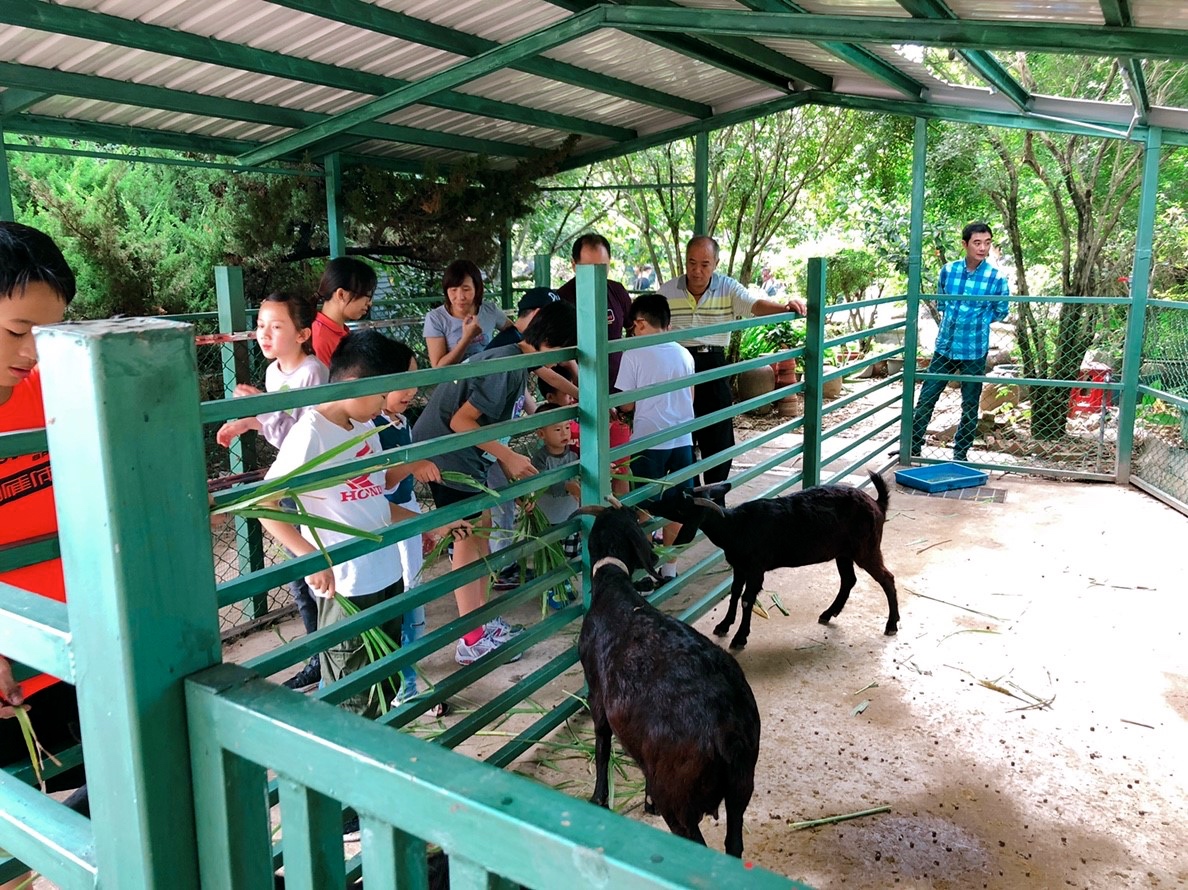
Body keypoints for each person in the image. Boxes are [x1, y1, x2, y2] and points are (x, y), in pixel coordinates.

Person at [257, 331, 442, 719]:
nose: (383, 405)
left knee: (384, 683)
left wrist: (429, 524)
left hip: (386, 575)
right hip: (347, 585)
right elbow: (266, 504)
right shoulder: (310, 435)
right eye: (380, 395)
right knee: (353, 698)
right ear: (358, 384)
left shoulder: (365, 429)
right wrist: (312, 559)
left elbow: (375, 502)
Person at [412, 300, 577, 666]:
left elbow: (548, 374)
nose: (560, 363)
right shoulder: (504, 366)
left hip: (464, 456)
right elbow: (461, 423)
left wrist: (583, 395)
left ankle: (482, 623)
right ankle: (471, 639)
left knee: (480, 537)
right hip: (447, 456)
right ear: (547, 341)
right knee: (468, 542)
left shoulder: (516, 355)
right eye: (561, 352)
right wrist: (509, 457)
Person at [0, 223, 87, 886]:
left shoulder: (51, 389)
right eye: (15, 332)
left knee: (96, 823)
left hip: (71, 658)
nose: (32, 353)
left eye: (47, 335)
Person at [216, 291, 329, 691]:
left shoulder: (311, 373)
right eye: (261, 325)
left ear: (301, 334)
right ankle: (320, 656)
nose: (264, 334)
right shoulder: (274, 373)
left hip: (310, 486)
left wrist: (259, 410)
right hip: (287, 483)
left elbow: (304, 433)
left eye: (276, 326)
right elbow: (278, 429)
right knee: (299, 575)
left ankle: (328, 656)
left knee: (314, 571)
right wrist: (249, 423)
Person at [657, 236, 807, 485]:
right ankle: (690, 499)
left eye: (705, 264)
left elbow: (753, 305)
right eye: (692, 263)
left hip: (713, 363)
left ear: (715, 263)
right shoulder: (666, 291)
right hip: (678, 367)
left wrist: (785, 307)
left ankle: (716, 500)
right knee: (682, 438)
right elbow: (650, 323)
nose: (697, 270)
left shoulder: (727, 287)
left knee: (719, 440)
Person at [910, 221, 1011, 462]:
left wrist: (979, 318)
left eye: (987, 243)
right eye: (977, 243)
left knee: (969, 405)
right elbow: (942, 303)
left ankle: (960, 455)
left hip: (974, 349)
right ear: (965, 244)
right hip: (945, 346)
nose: (983, 248)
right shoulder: (948, 271)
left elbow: (1001, 311)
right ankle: (912, 448)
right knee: (926, 398)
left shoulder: (996, 278)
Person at [614, 293, 695, 581]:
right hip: (683, 439)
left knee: (644, 504)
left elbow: (626, 404)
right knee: (678, 504)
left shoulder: (634, 352)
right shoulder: (684, 353)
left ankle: (646, 570)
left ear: (640, 323)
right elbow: (691, 395)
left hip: (649, 440)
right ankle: (669, 567)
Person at [555, 233, 634, 389]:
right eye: (588, 268)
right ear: (573, 265)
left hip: (618, 384)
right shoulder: (561, 299)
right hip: (577, 388)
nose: (596, 274)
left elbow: (635, 330)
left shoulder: (617, 291)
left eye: (601, 267)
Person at [525, 404, 582, 610]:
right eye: (557, 430)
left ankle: (564, 580)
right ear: (541, 433)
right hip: (548, 517)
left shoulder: (574, 455)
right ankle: (552, 587)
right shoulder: (540, 459)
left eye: (567, 428)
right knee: (550, 554)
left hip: (569, 515)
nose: (564, 433)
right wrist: (567, 485)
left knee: (569, 553)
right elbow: (542, 484)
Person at [423, 259, 512, 368]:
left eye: (466, 289)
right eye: (453, 290)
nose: (460, 297)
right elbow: (438, 367)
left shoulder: (490, 310)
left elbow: (514, 332)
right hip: (455, 381)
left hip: (488, 376)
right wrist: (467, 338)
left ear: (477, 289)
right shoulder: (435, 318)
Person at [312, 257, 377, 366]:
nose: (369, 303)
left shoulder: (336, 330)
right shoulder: (320, 338)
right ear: (341, 294)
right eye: (367, 295)